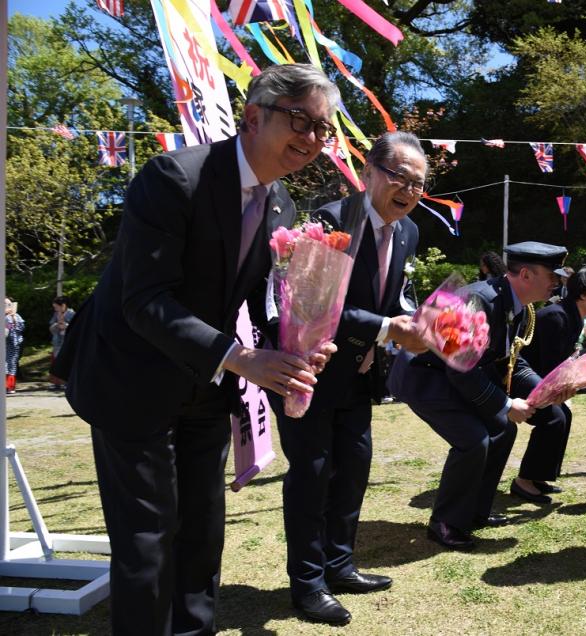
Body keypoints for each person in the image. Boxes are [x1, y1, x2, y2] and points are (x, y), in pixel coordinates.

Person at [52, 63, 340, 634]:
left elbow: (255, 299)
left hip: (207, 382)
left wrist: (296, 344)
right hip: (130, 378)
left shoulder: (281, 205)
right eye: (300, 121)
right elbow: (144, 301)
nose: (312, 139)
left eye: (322, 129)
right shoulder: (174, 177)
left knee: (203, 530)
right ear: (253, 116)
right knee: (148, 539)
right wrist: (240, 358)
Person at [269, 131, 429, 626]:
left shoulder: (409, 231)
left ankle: (339, 565)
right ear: (368, 172)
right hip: (310, 370)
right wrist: (388, 328)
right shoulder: (330, 221)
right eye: (399, 176)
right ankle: (308, 583)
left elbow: (392, 296)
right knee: (312, 474)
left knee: (354, 468)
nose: (408, 190)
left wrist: (421, 322)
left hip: (360, 375)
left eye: (418, 184)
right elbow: (314, 305)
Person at [389, 241, 570, 550]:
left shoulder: (517, 305)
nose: (557, 283)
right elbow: (460, 369)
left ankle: (473, 512)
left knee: (503, 429)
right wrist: (505, 404)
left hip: (451, 374)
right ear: (526, 275)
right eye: (552, 276)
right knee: (473, 440)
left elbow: (509, 359)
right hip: (424, 376)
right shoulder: (479, 301)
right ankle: (445, 523)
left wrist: (545, 387)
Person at [513, 266, 586, 503]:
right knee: (554, 418)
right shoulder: (556, 316)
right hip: (519, 377)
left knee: (562, 415)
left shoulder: (575, 316)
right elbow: (549, 365)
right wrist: (568, 386)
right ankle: (523, 481)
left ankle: (539, 477)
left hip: (540, 378)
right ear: (583, 293)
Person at [49, 295, 75, 390]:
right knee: (57, 363)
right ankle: (58, 383)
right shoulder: (56, 314)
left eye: (56, 307)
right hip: (57, 342)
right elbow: (51, 326)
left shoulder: (72, 314)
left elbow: (76, 328)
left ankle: (68, 383)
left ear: (63, 305)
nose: (55, 309)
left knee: (67, 362)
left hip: (68, 342)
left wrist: (66, 326)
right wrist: (56, 325)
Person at [5, 297, 25, 395]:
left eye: (9, 304)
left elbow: (21, 328)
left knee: (11, 365)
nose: (7, 306)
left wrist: (13, 319)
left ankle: (10, 386)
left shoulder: (16, 316)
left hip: (13, 345)